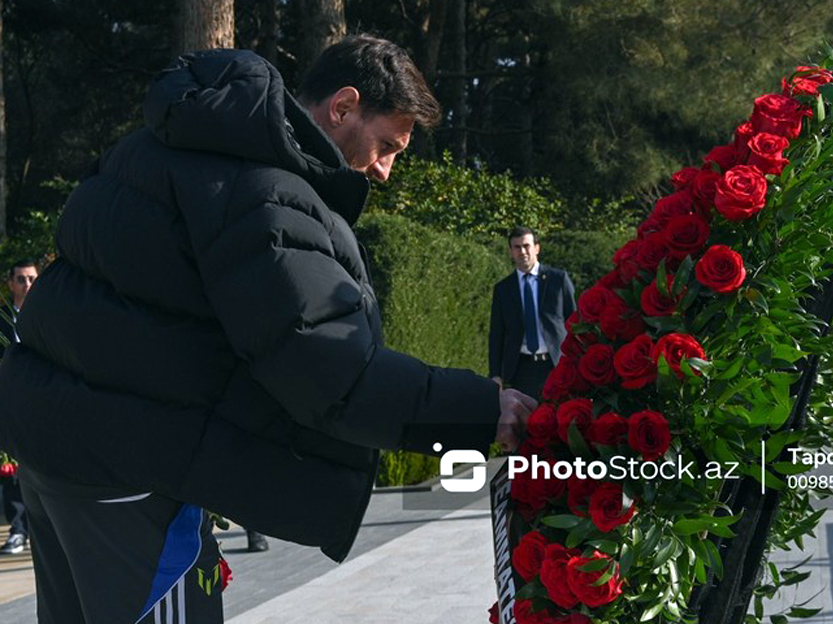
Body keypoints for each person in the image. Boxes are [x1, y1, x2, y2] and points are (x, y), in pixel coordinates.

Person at [0, 35, 534, 623]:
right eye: (387, 146)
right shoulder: (267, 194)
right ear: (343, 106)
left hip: (52, 452)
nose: (384, 170)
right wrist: (483, 410)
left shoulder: (158, 145)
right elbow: (332, 374)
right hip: (134, 475)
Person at [489, 227, 576, 400]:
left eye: (526, 246)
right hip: (521, 370)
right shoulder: (503, 289)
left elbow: (574, 322)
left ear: (537, 248)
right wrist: (495, 374)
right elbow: (497, 334)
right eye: (517, 247)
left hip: (556, 365)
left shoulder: (558, 280)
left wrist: (578, 362)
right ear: (511, 252)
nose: (522, 252)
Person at [0, 259, 38, 555]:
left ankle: (41, 528)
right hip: (9, 402)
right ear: (11, 283)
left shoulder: (49, 314)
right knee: (11, 471)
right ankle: (19, 529)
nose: (27, 285)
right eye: (21, 279)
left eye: (32, 279)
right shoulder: (2, 319)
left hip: (43, 401)